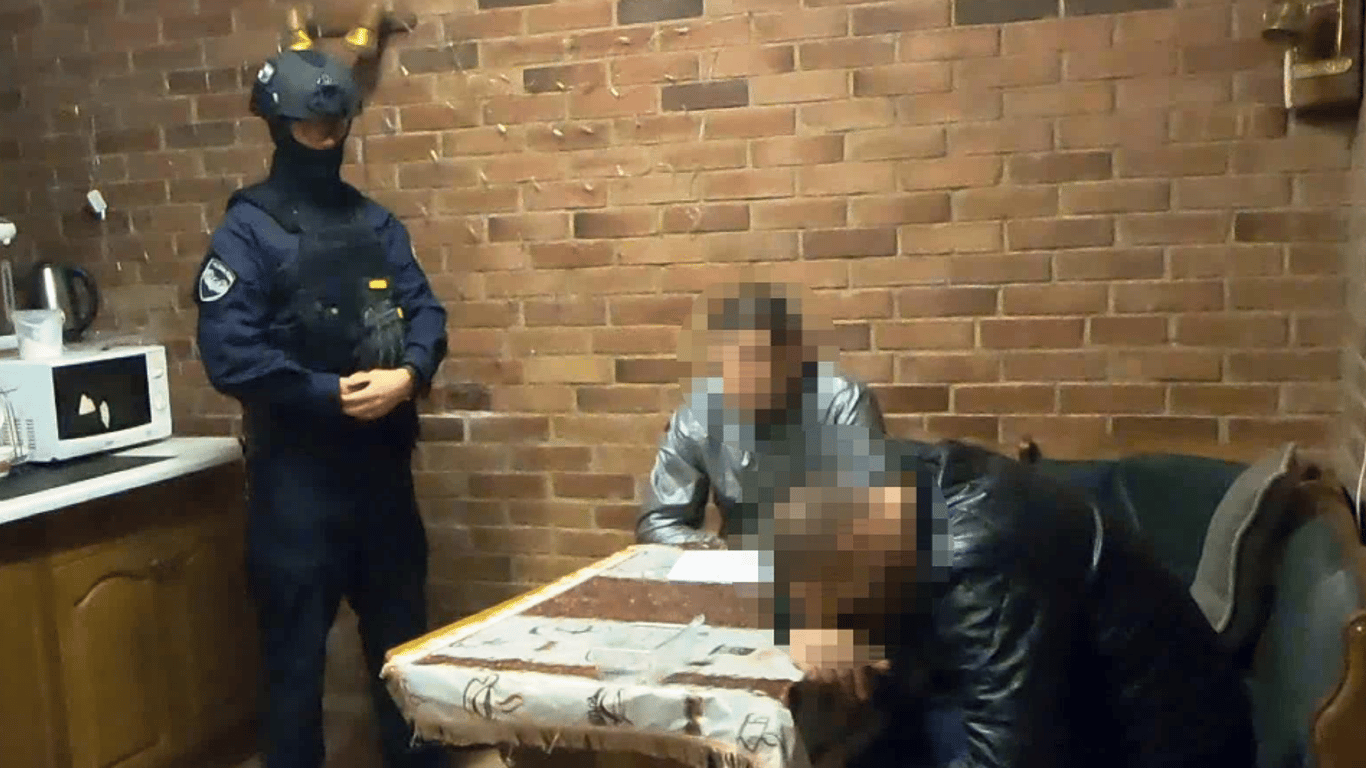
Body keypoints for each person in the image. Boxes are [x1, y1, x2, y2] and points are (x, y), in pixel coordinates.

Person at [193, 39, 448, 768]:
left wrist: (411, 374)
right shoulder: (249, 230)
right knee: (294, 674)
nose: (326, 139)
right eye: (311, 126)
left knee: (407, 666)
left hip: (383, 484)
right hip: (297, 492)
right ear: (280, 126)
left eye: (335, 126)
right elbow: (230, 353)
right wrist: (326, 393)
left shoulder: (376, 224)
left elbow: (427, 313)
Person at [769, 425, 1257, 768]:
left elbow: (1008, 757)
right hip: (1068, 714)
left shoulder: (981, 551)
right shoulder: (912, 482)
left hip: (1162, 748)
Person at [636, 281, 886, 550]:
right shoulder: (696, 419)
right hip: (737, 562)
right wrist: (718, 551)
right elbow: (658, 524)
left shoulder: (843, 402)